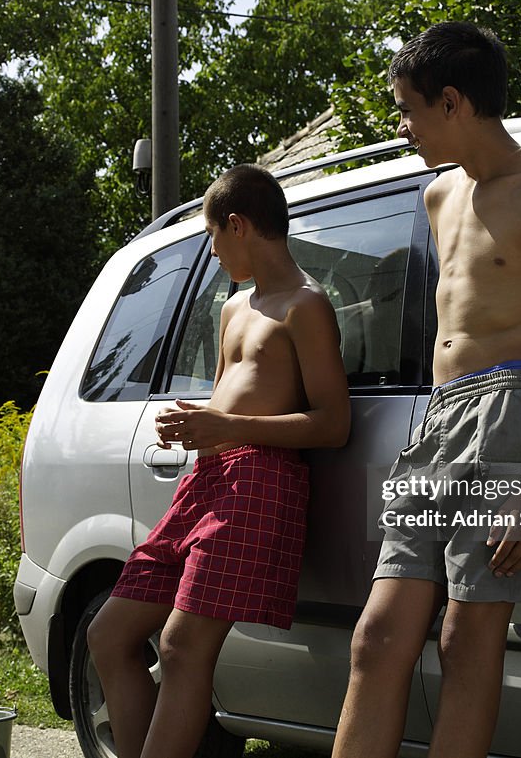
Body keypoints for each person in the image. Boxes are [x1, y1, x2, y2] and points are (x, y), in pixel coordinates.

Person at [332, 22, 521, 758]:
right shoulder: (436, 195)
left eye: (409, 109)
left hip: (513, 411)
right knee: (378, 634)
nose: (403, 126)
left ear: (452, 102)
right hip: (439, 418)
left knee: (466, 636)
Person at [87, 163, 351, 758]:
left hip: (260, 481)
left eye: (212, 237)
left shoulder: (306, 306)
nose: (213, 252)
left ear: (237, 225)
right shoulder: (234, 307)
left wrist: (225, 424)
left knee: (181, 647)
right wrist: (197, 425)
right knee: (109, 634)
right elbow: (236, 395)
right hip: (204, 483)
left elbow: (333, 423)